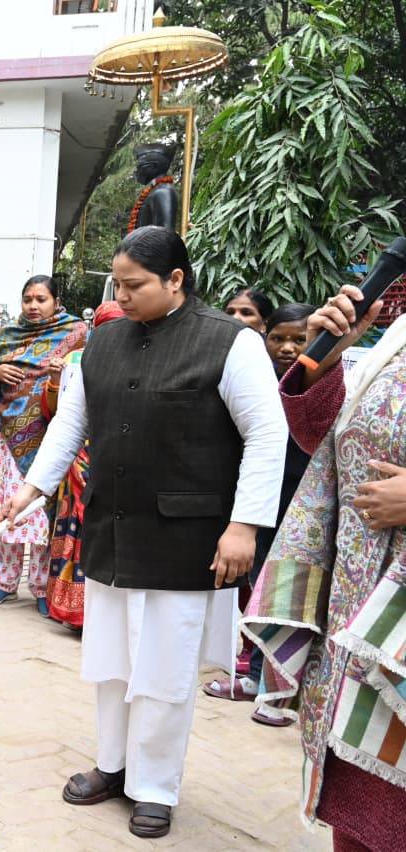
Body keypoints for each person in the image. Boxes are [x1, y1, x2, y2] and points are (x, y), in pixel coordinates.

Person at [1, 226, 287, 838]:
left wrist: (244, 526)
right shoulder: (100, 345)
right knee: (110, 662)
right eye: (118, 284)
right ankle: (113, 764)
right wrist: (29, 492)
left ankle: (155, 785)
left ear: (175, 280)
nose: (122, 296)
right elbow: (70, 427)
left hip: (186, 539)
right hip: (111, 529)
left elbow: (267, 436)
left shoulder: (230, 343)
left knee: (165, 668)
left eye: (134, 286)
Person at [242, 284, 406, 850]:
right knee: (361, 817)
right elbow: (327, 448)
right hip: (356, 621)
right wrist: (328, 360)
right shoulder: (397, 341)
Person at [202, 303, 315, 712]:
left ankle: (271, 682)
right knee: (256, 587)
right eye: (279, 338)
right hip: (258, 504)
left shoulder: (315, 385)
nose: (287, 348)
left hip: (300, 505)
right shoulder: (251, 376)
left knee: (286, 592)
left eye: (299, 340)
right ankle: (255, 673)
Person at [0, 276, 89, 616]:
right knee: (6, 509)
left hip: (54, 440)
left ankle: (42, 586)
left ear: (56, 301)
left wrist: (60, 373)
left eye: (41, 299)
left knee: (43, 515)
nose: (34, 306)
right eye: (28, 299)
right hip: (9, 441)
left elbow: (87, 378)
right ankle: (2, 582)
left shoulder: (77, 334)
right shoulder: (8, 334)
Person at [41, 300, 127, 629]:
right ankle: (70, 611)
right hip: (77, 462)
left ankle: (100, 619)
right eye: (106, 327)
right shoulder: (77, 361)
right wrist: (52, 382)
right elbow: (55, 415)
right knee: (70, 535)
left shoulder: (145, 360)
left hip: (115, 463)